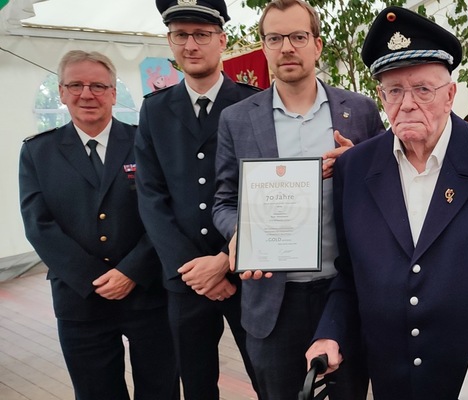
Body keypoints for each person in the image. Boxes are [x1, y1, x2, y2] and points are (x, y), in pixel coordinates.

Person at [305, 6, 468, 399]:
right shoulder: (356, 169)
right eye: (394, 90)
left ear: (450, 95)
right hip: (395, 384)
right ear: (381, 96)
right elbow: (349, 277)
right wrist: (329, 334)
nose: (407, 103)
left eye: (422, 90)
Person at [212, 0, 384, 398]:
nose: (287, 47)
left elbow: (388, 191)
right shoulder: (237, 119)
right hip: (273, 301)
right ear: (264, 46)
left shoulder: (358, 111)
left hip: (345, 292)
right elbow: (223, 200)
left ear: (317, 45)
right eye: (275, 38)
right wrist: (243, 234)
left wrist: (356, 165)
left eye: (297, 36)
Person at [19, 50, 178, 400]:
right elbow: (39, 225)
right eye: (75, 85)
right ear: (61, 92)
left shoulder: (145, 143)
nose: (86, 94)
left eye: (97, 85)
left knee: (161, 388)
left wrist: (131, 272)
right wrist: (94, 279)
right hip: (80, 299)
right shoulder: (38, 152)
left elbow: (165, 212)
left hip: (147, 291)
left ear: (113, 93)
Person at [135, 1, 261, 398]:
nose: (191, 44)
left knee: (269, 377)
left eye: (202, 34)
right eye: (180, 35)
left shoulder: (254, 105)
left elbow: (270, 192)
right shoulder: (154, 110)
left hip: (249, 272)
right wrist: (192, 270)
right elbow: (151, 196)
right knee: (196, 383)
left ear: (222, 40)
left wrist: (226, 261)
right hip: (185, 279)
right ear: (170, 42)